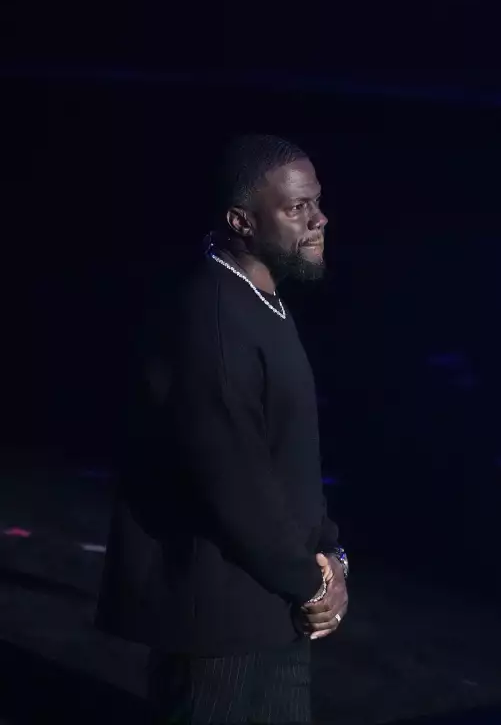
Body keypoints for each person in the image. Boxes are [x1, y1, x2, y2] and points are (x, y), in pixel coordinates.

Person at [95, 135, 350, 724]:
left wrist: (329, 558)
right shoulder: (211, 320)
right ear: (241, 221)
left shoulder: (259, 303)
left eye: (317, 202)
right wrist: (312, 583)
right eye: (297, 208)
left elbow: (287, 462)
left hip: (271, 610)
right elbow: (232, 481)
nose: (319, 219)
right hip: (218, 630)